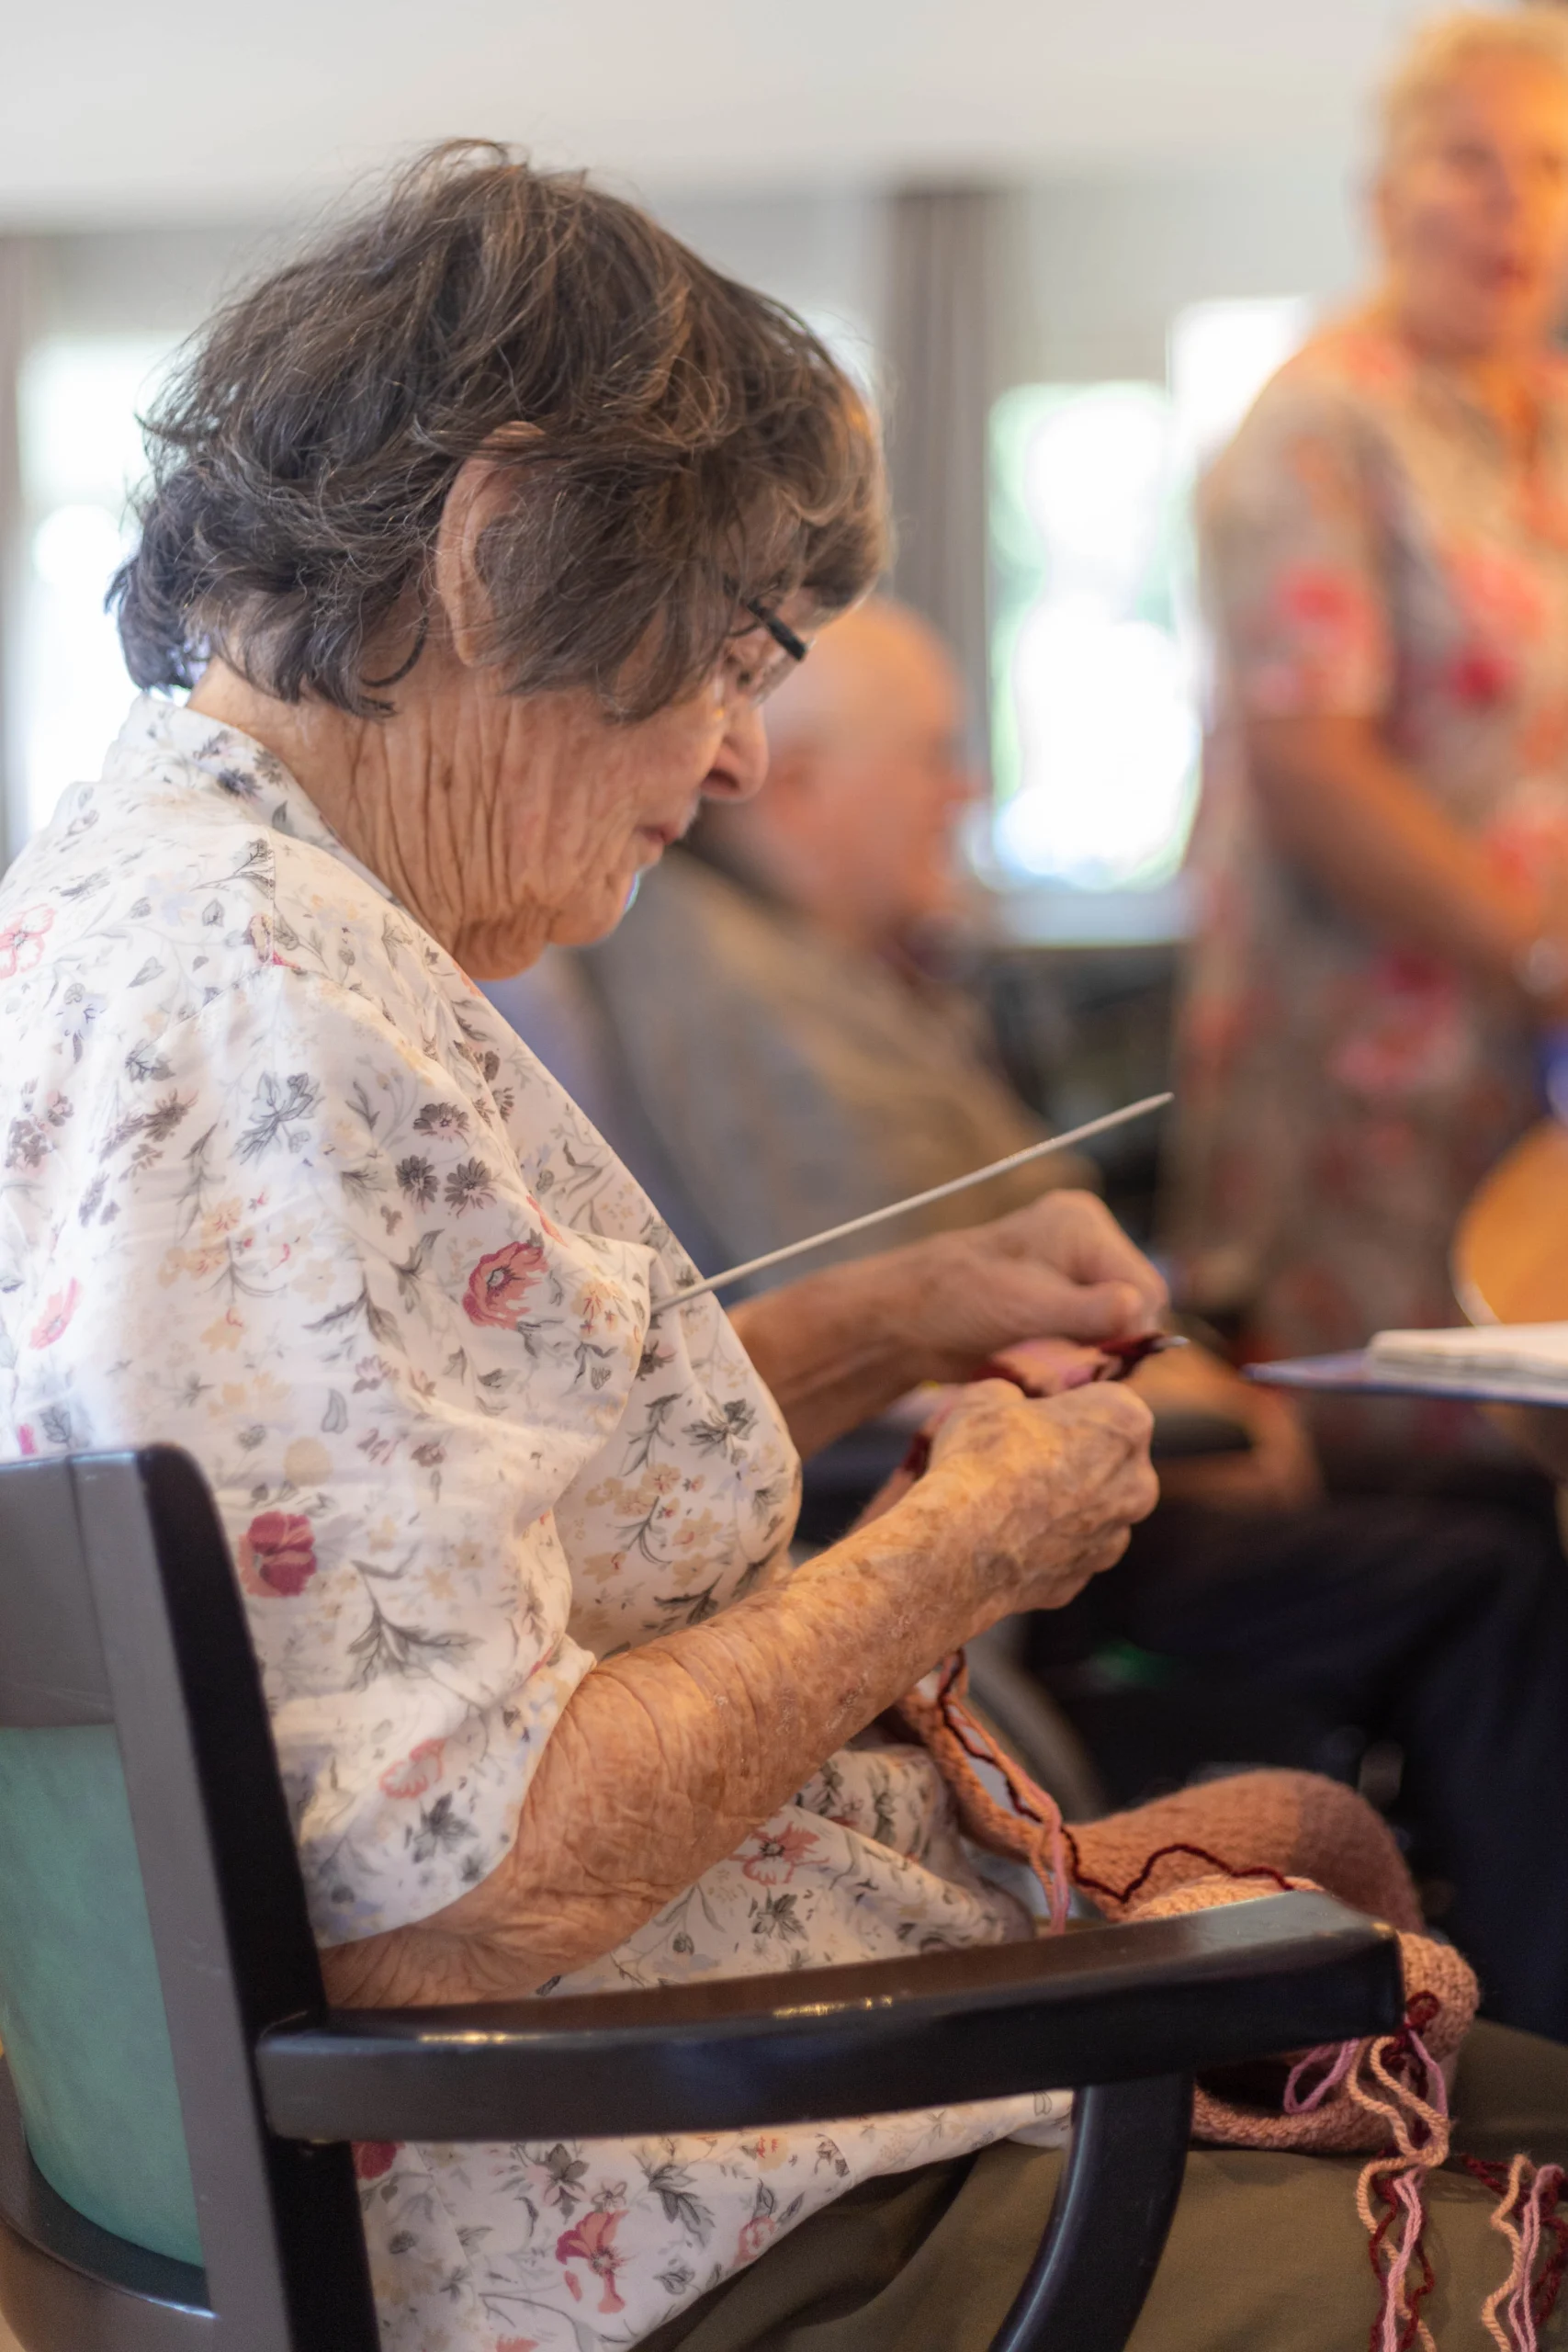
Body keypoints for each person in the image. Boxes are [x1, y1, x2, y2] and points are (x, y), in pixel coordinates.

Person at [1, 143, 1564, 2352]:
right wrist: (957, 1545)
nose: (742, 754)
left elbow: (403, 1509)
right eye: (736, 653)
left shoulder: (146, 900)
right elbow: (457, 1891)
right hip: (677, 2204)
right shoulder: (267, 1008)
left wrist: (892, 1316)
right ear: (502, 539)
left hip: (654, 2132)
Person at [491, 589, 1568, 2040]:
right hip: (992, 1516)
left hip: (992, 1468)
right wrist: (1193, 1403)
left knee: (1495, 1513)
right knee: (1499, 1577)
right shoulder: (755, 1006)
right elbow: (966, 1342)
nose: (965, 789)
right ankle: (1522, 2057)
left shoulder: (805, 965)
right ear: (787, 784)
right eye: (932, 753)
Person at [1168, 9, 1568, 1396]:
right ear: (1382, 195)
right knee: (1452, 1449)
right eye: (1466, 159)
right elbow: (1308, 763)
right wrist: (1531, 957)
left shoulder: (1549, 418)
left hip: (1533, 1069)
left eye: (1551, 164)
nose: (1511, 203)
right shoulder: (1320, 423)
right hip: (1378, 1064)